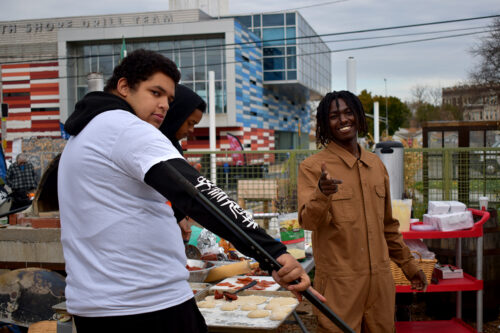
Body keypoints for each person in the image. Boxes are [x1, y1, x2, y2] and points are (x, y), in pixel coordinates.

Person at [58, 49, 324, 333]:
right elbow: (201, 196)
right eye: (155, 93)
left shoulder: (84, 134)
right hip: (145, 305)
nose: (163, 106)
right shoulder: (126, 128)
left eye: (169, 99)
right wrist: (273, 254)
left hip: (99, 305)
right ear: (124, 87)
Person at [298, 90, 427, 333]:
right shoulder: (313, 167)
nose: (343, 120)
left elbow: (388, 226)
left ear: (358, 115)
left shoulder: (376, 164)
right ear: (325, 123)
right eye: (334, 116)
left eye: (348, 112)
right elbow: (308, 221)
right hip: (339, 287)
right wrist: (322, 193)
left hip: (380, 285)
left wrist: (409, 266)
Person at [159, 84, 206, 242]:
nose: (191, 130)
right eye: (190, 123)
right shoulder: (154, 144)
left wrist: (179, 217)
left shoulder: (172, 146)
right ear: (176, 115)